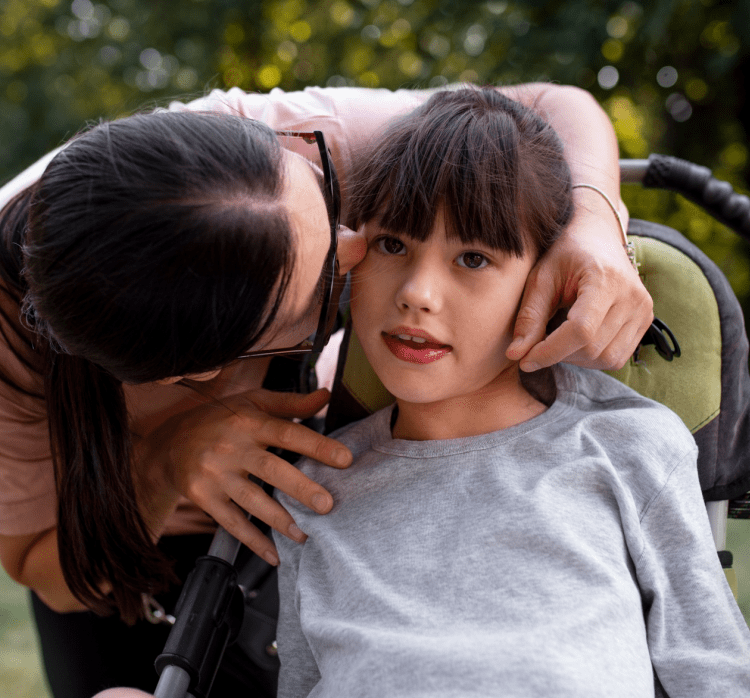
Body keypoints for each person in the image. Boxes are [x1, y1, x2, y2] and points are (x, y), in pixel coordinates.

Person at [0, 83, 652, 697]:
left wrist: (593, 220)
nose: (358, 250)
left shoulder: (278, 151)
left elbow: (550, 104)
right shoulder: (17, 357)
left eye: (326, 196)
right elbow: (42, 567)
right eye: (319, 293)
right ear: (200, 370)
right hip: (125, 558)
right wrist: (168, 461)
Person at [273, 88, 750, 697]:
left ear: (546, 283)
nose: (418, 292)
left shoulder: (629, 447)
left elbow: (714, 675)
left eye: (472, 258)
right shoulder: (311, 491)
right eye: (393, 244)